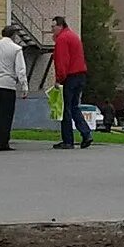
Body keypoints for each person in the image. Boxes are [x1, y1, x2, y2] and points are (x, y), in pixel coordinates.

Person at [50, 16, 93, 149]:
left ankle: (68, 140)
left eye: (53, 27)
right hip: (80, 75)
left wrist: (59, 79)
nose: (52, 30)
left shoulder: (62, 39)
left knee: (66, 108)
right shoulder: (72, 36)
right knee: (74, 107)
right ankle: (86, 133)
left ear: (60, 26)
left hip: (70, 76)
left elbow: (62, 61)